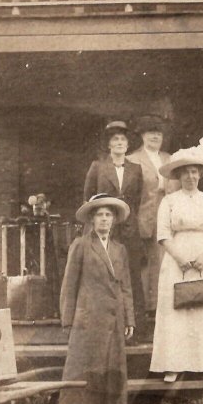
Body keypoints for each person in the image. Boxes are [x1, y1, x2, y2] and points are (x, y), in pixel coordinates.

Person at [149, 136, 203, 383]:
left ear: (200, 175)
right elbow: (162, 235)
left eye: (195, 172)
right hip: (175, 256)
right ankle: (173, 365)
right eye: (186, 173)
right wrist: (180, 257)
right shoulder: (169, 201)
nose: (191, 177)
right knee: (175, 311)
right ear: (179, 175)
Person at [58, 193, 135, 404]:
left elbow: (126, 286)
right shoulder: (81, 245)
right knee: (83, 372)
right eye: (99, 215)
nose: (104, 219)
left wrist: (129, 318)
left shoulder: (119, 249)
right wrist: (68, 320)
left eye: (108, 215)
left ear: (113, 220)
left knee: (112, 372)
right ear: (92, 219)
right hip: (88, 321)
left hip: (114, 320)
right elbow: (69, 285)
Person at [83, 120, 146, 340]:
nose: (119, 143)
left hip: (129, 233)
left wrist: (128, 222)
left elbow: (136, 202)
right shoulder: (98, 167)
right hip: (104, 231)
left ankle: (135, 331)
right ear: (109, 145)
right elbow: (89, 200)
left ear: (128, 145)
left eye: (123, 140)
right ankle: (104, 332)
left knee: (131, 280)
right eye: (115, 139)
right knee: (104, 277)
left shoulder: (136, 170)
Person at [126, 115, 180, 320]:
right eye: (150, 133)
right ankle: (148, 308)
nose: (155, 137)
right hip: (145, 218)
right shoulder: (133, 159)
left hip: (169, 218)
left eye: (159, 133)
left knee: (167, 261)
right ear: (142, 136)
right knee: (147, 264)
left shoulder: (171, 159)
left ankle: (166, 305)